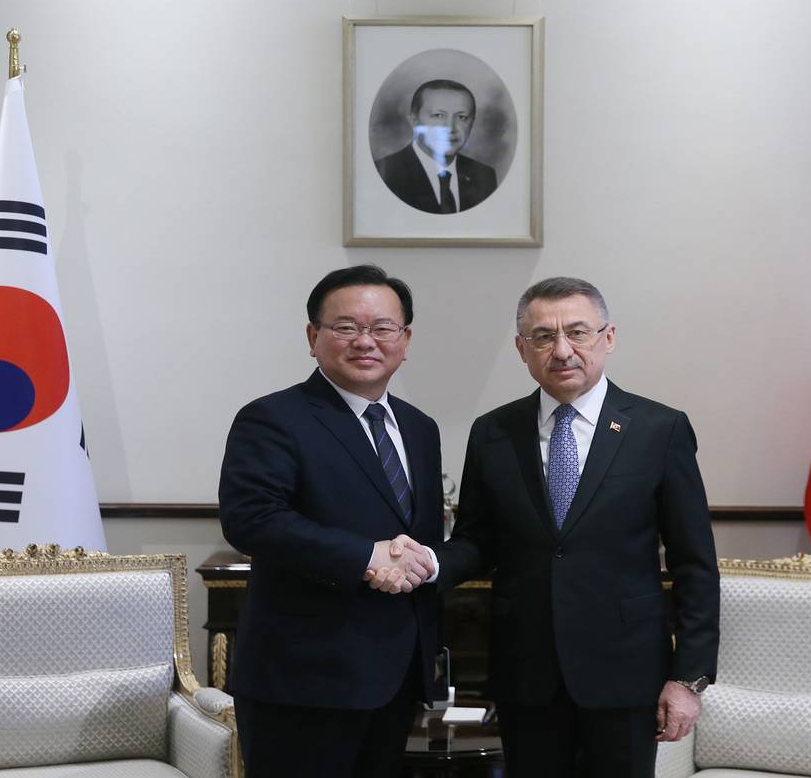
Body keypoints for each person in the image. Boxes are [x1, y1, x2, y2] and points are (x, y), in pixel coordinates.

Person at [388, 276, 720, 777]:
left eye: (578, 333)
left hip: (626, 671)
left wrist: (688, 678)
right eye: (543, 337)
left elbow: (694, 562)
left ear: (608, 338)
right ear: (522, 349)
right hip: (528, 671)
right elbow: (478, 540)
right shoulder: (493, 432)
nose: (562, 350)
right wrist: (430, 561)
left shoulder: (659, 429)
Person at [219, 264, 441, 778]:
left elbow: (417, 536)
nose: (366, 341)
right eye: (346, 327)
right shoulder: (273, 417)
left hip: (395, 675)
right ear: (313, 337)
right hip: (303, 681)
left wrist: (419, 561)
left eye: (383, 328)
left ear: (405, 339)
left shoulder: (419, 428)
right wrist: (368, 558)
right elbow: (252, 519)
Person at [374, 78, 498, 214]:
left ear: (472, 122)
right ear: (414, 121)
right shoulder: (385, 173)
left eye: (461, 117)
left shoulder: (484, 175)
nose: (450, 128)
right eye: (438, 115)